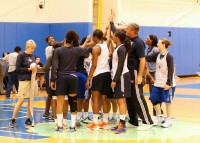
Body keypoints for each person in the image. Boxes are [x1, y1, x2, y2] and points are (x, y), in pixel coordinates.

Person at [109, 13, 154, 130]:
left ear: (133, 31)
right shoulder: (127, 39)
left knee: (137, 97)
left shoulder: (139, 42)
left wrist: (140, 75)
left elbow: (142, 60)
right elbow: (116, 33)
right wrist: (111, 22)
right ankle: (133, 121)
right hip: (126, 73)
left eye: (127, 28)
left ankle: (147, 121)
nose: (125, 29)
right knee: (128, 97)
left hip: (134, 71)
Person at [50, 30, 91, 132]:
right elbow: (89, 49)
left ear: (65, 39)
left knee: (60, 102)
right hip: (73, 77)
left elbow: (54, 66)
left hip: (61, 77)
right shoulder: (76, 50)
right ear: (73, 41)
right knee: (73, 102)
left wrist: (52, 80)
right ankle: (72, 126)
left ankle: (59, 126)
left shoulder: (58, 50)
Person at [146, 38, 176, 128]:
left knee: (168, 102)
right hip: (158, 82)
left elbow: (171, 70)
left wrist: (168, 83)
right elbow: (146, 57)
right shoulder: (157, 55)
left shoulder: (169, 56)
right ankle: (159, 118)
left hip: (167, 83)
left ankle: (169, 120)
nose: (157, 44)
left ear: (163, 45)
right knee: (153, 99)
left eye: (159, 43)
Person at [85, 29, 111, 131]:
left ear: (95, 37)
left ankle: (95, 123)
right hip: (107, 74)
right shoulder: (106, 44)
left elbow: (94, 65)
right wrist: (109, 24)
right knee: (104, 99)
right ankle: (105, 122)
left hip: (98, 74)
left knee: (95, 99)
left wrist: (89, 79)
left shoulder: (96, 48)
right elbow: (107, 37)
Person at [9, 40, 37, 128]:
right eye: (31, 48)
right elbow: (18, 69)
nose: (33, 50)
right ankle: (13, 119)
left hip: (32, 80)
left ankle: (28, 119)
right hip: (23, 81)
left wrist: (36, 68)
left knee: (30, 100)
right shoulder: (21, 56)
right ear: (27, 47)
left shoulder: (33, 56)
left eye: (33, 48)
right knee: (21, 100)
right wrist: (28, 69)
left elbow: (33, 66)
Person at [109, 30, 131, 134]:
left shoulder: (122, 48)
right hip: (120, 77)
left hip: (121, 77)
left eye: (114, 36)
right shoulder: (118, 48)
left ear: (117, 37)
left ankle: (122, 124)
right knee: (120, 101)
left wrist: (115, 79)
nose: (112, 37)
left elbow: (121, 66)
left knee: (121, 101)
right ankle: (121, 122)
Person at [144, 35, 164, 116]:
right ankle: (158, 112)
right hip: (149, 73)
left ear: (151, 40)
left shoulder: (155, 50)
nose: (145, 39)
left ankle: (157, 114)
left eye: (147, 38)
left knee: (154, 96)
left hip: (154, 74)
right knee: (153, 95)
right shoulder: (149, 49)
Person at [42, 35, 55, 121]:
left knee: (51, 94)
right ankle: (52, 114)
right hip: (50, 71)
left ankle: (47, 113)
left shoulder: (54, 47)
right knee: (52, 94)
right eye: (50, 39)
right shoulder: (49, 48)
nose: (52, 40)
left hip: (53, 71)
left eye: (52, 38)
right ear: (47, 42)